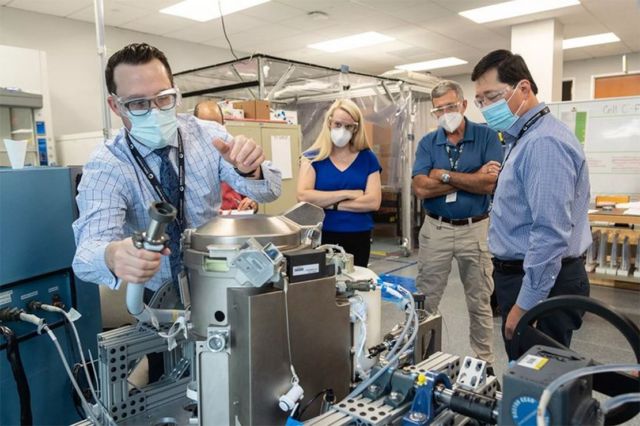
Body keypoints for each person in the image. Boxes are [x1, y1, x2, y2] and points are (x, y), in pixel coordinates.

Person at [72, 43, 281, 294]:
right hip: (157, 294)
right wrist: (112, 254)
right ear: (115, 106)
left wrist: (250, 171)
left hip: (218, 280)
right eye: (138, 104)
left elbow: (270, 191)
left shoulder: (207, 135)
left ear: (176, 93)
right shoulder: (108, 164)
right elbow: (85, 256)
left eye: (164, 98)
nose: (155, 112)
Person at [471, 50, 591, 360]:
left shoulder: (543, 143)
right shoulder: (522, 138)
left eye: (491, 97)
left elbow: (549, 233)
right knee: (534, 375)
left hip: (541, 283)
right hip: (528, 277)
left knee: (539, 382)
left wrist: (526, 304)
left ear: (523, 89)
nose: (485, 108)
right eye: (480, 101)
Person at [412, 80, 502, 367]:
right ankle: (421, 360)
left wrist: (444, 175)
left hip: (475, 229)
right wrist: (469, 178)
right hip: (435, 228)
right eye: (439, 109)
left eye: (451, 106)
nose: (445, 113)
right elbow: (421, 188)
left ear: (463, 105)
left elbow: (489, 183)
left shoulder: (487, 137)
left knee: (479, 301)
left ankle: (483, 362)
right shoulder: (428, 142)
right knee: (425, 301)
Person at [297, 99, 381, 267]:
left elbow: (373, 202)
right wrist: (347, 193)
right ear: (329, 123)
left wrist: (329, 204)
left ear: (356, 128)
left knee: (355, 283)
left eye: (349, 126)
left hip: (359, 235)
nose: (342, 130)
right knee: (325, 286)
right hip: (321, 234)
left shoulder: (368, 158)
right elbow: (304, 197)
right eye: (338, 124)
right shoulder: (313, 157)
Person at [194, 100, 258, 212]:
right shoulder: (186, 160)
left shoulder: (234, 154)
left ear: (223, 125)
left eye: (216, 126)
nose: (211, 131)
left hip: (235, 223)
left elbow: (253, 191)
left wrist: (252, 202)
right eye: (205, 126)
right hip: (205, 226)